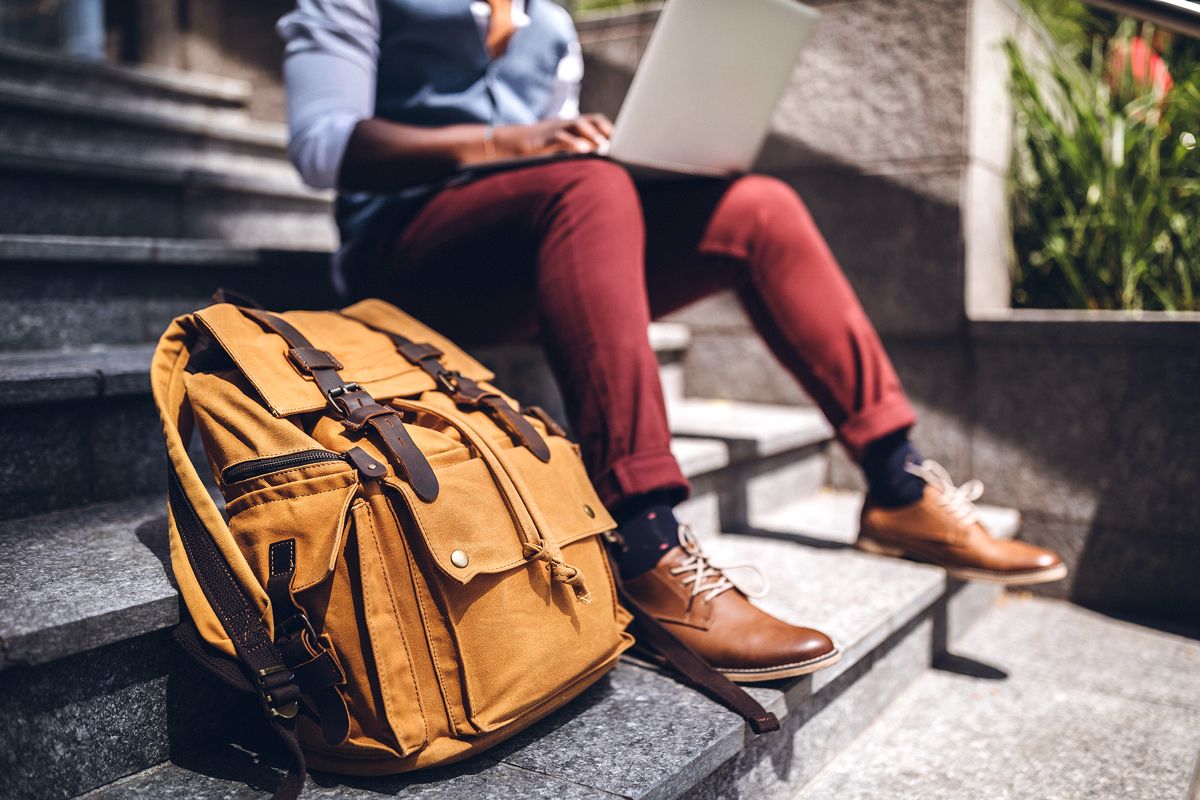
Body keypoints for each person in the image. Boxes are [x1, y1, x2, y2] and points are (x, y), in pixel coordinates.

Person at [276, 0, 1066, 682]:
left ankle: (897, 486)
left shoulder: (548, 14)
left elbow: (559, 153)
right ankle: (649, 542)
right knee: (591, 186)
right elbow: (321, 144)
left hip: (535, 231)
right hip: (408, 253)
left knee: (759, 208)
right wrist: (507, 147)